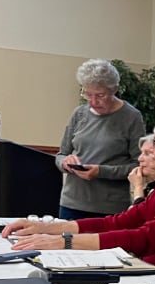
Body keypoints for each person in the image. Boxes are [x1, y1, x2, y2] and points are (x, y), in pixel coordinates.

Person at [5, 117, 155, 278]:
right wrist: (44, 228)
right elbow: (118, 222)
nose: (148, 150)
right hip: (148, 274)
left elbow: (149, 237)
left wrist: (65, 242)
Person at [56, 59, 146, 219]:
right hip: (71, 203)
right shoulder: (79, 114)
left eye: (100, 95)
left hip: (109, 208)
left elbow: (138, 165)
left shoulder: (131, 117)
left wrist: (101, 172)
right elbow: (61, 154)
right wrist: (65, 162)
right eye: (87, 94)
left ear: (114, 90)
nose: (93, 101)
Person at [128, 135, 155, 206]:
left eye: (147, 153)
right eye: (141, 152)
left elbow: (141, 215)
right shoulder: (139, 179)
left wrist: (138, 187)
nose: (139, 159)